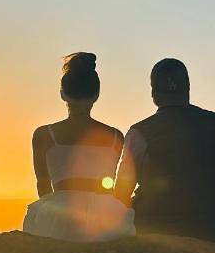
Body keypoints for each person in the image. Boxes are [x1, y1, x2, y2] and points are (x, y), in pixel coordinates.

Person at [115, 58, 215, 242]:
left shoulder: (140, 132)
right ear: (188, 88)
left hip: (154, 232)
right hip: (212, 231)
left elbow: (121, 194)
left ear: (153, 93)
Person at [23, 53, 135, 241]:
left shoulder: (43, 135)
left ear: (62, 93)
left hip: (59, 213)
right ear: (96, 95)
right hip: (104, 215)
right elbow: (109, 184)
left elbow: (43, 185)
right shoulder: (115, 136)